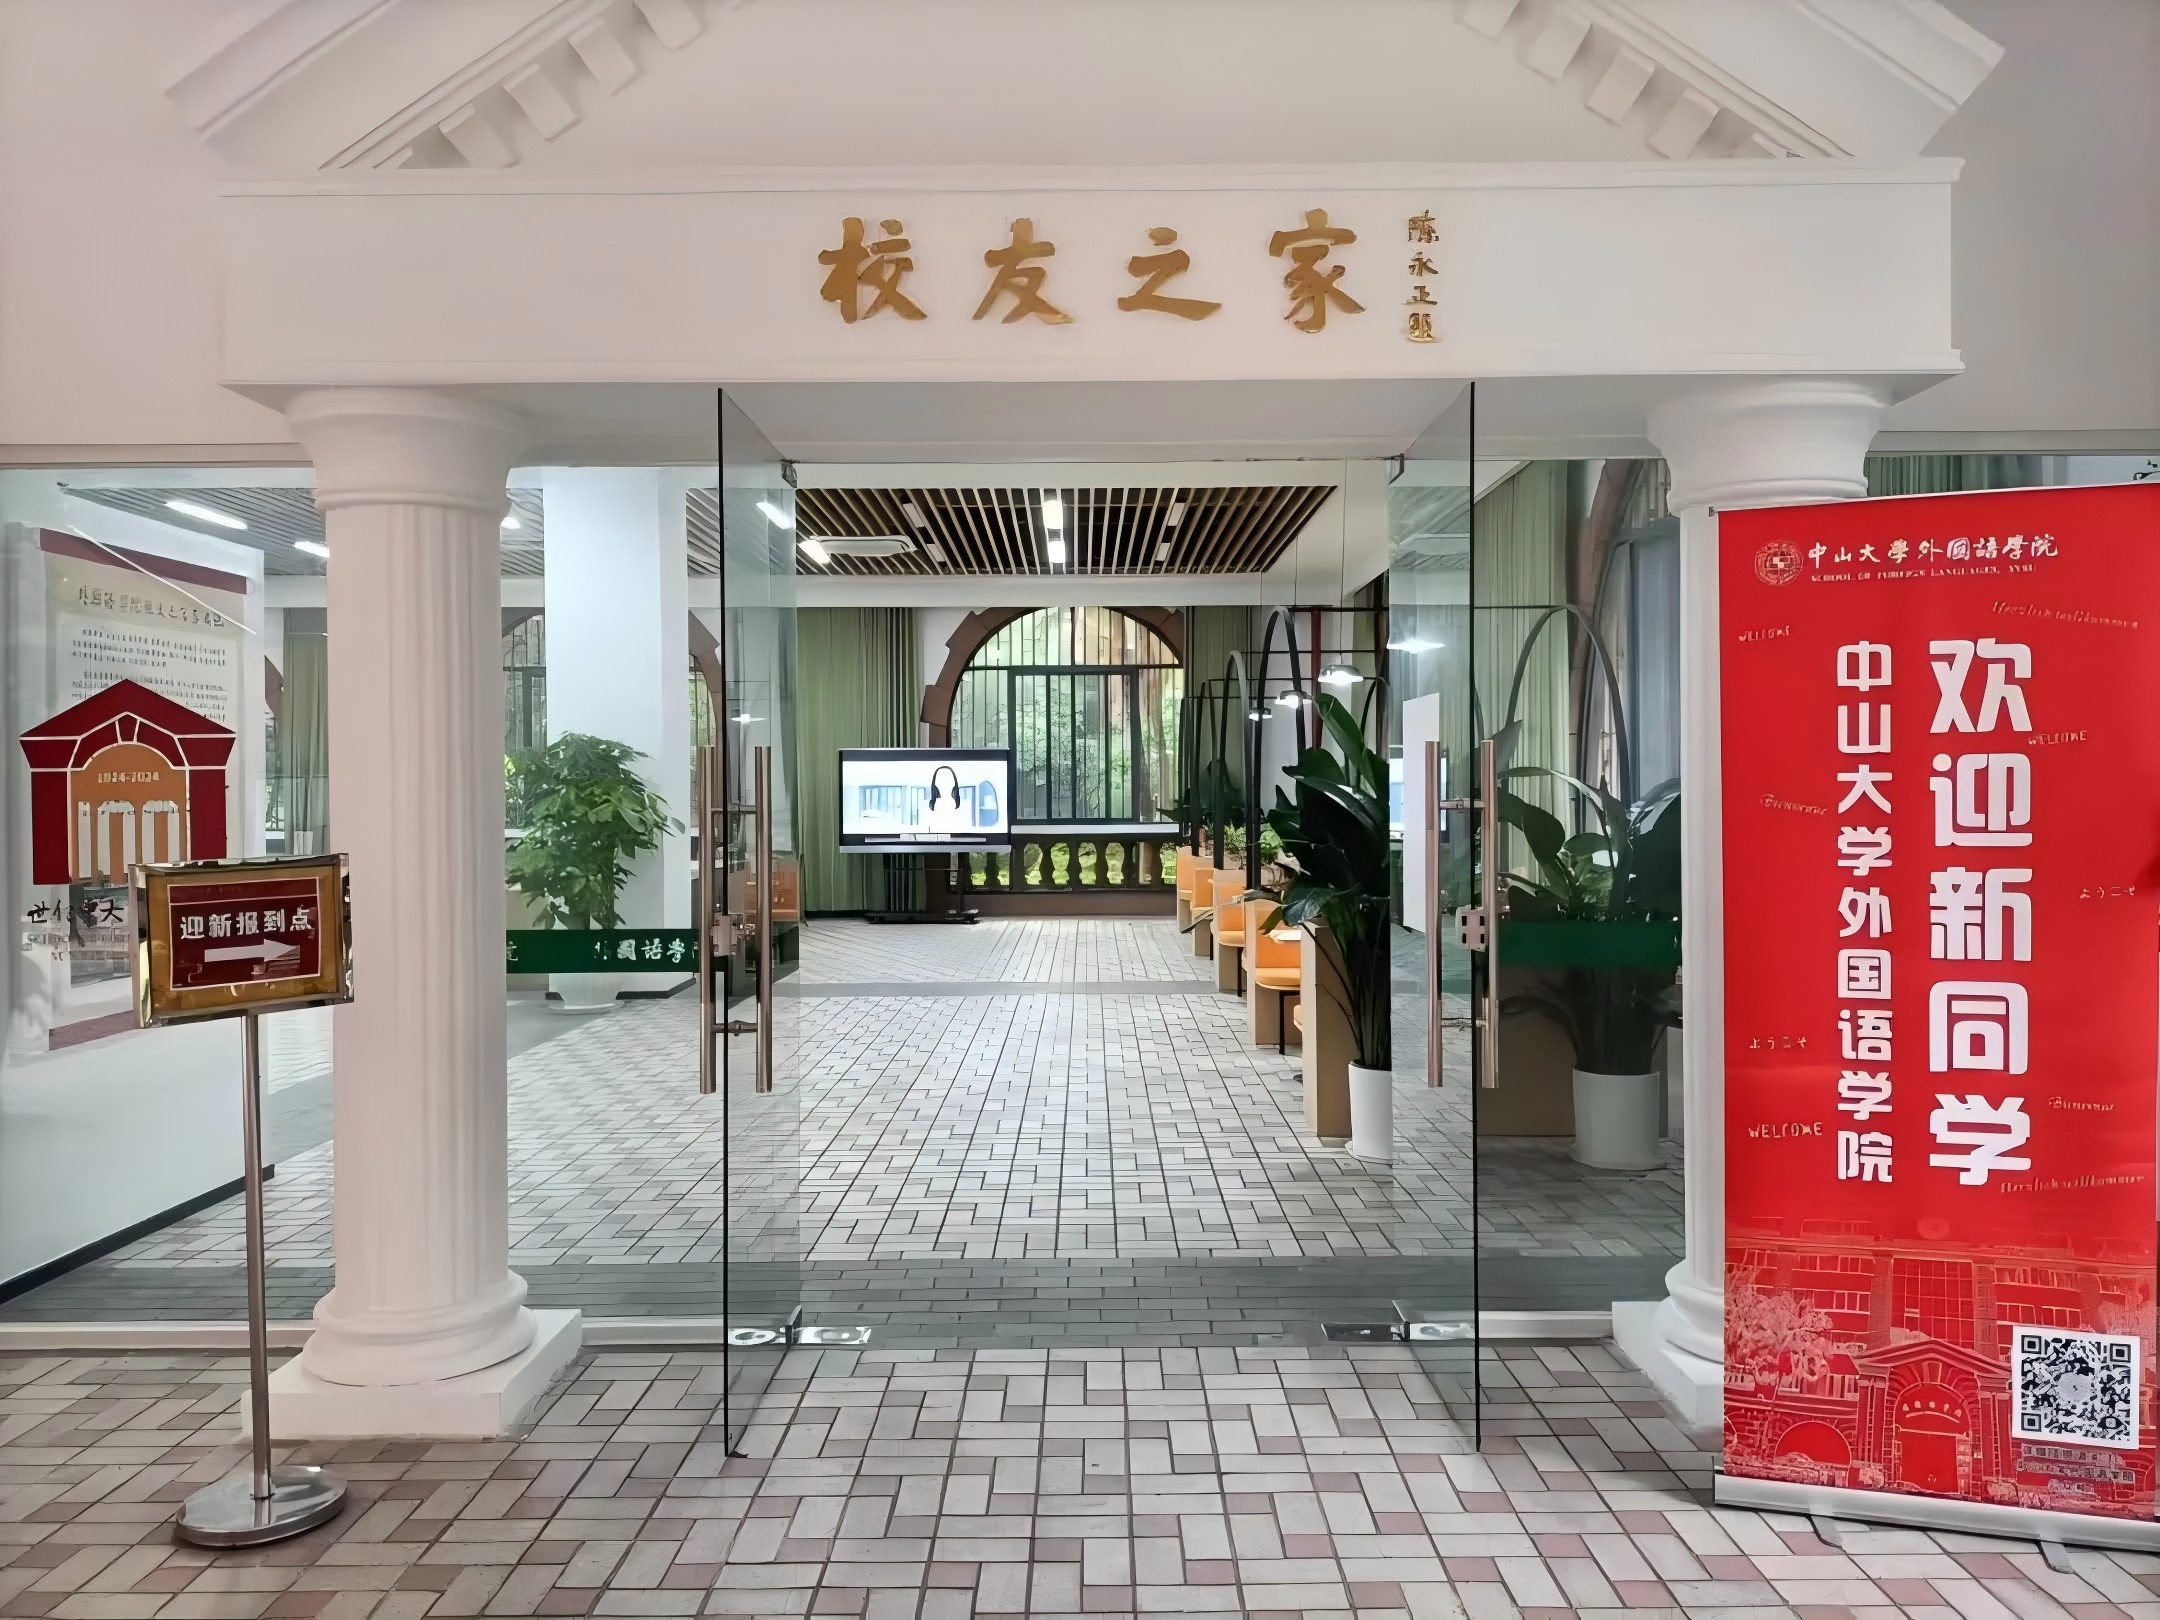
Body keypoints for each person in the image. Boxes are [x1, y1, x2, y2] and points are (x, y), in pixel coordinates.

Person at [922, 764, 967, 835]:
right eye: (941, 780)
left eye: (947, 779)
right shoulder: (935, 806)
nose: (945, 783)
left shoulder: (955, 807)